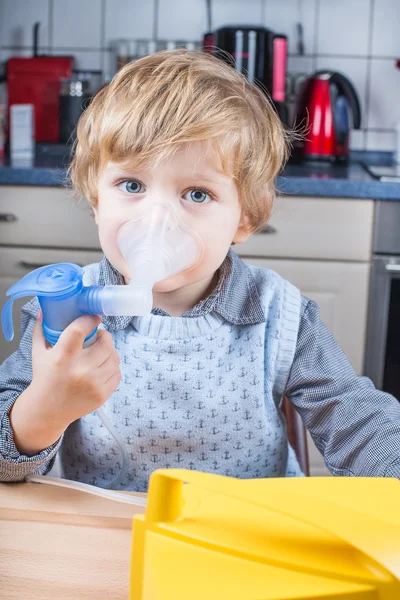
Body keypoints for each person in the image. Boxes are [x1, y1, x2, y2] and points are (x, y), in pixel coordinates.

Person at [1, 50, 400, 492]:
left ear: (244, 219)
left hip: (244, 538)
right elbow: (6, 466)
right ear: (97, 201)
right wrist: (43, 410)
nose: (157, 220)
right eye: (132, 185)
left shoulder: (279, 313)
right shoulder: (65, 313)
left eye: (196, 193)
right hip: (112, 540)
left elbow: (358, 420)